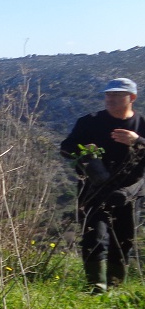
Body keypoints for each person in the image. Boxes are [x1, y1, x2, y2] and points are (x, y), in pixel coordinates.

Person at [60, 77, 145, 292]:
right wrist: (83, 151)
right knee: (93, 238)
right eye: (108, 95)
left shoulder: (141, 125)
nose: (110, 99)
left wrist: (137, 141)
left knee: (124, 240)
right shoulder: (89, 122)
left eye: (117, 95)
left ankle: (115, 289)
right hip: (93, 191)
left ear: (132, 98)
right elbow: (65, 149)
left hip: (129, 193)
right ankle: (96, 289)